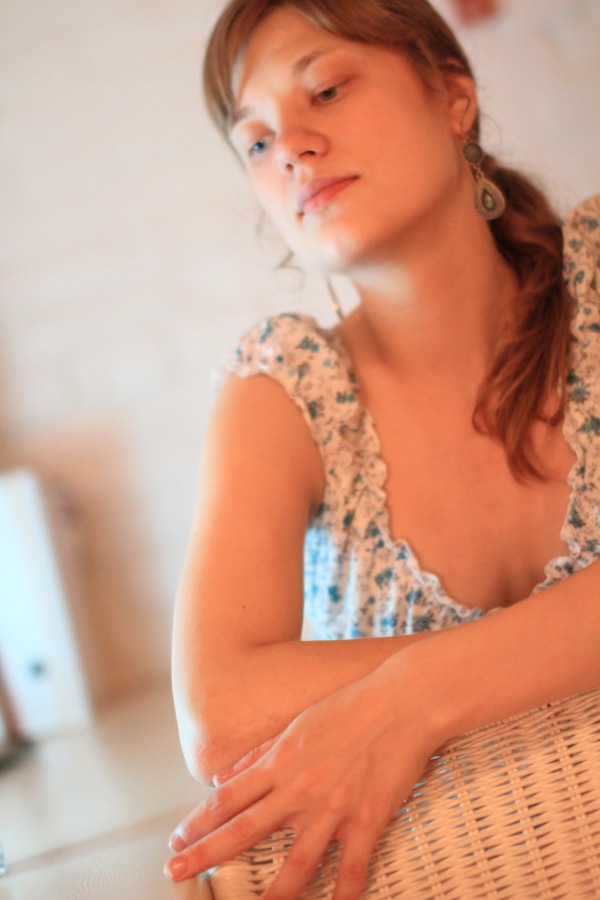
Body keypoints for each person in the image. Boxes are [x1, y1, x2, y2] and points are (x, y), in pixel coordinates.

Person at [165, 0, 600, 896]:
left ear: (453, 97)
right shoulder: (283, 389)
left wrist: (416, 693)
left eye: (326, 90)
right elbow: (217, 710)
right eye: (256, 142)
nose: (291, 148)